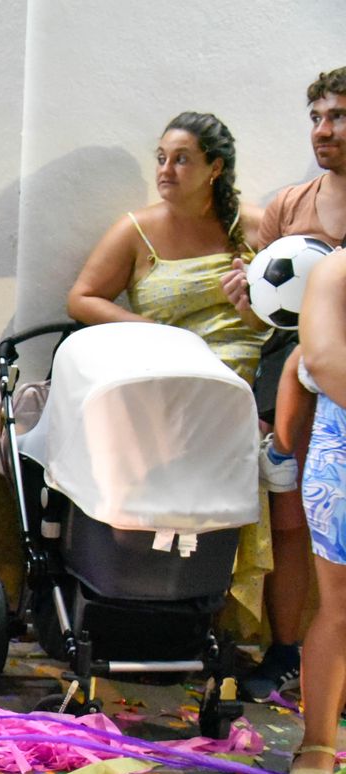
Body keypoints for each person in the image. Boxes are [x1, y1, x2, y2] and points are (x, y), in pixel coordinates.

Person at [67, 111, 271, 632]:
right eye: (161, 158)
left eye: (182, 160)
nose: (167, 170)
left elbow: (283, 313)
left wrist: (251, 307)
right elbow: (82, 299)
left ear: (215, 169)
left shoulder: (252, 228)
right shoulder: (137, 229)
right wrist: (150, 330)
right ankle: (140, 591)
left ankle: (209, 607)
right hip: (166, 376)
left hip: (237, 382)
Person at [225, 67, 346, 701]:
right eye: (317, 118)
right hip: (288, 370)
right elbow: (261, 311)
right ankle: (287, 650)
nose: (324, 131)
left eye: (339, 117)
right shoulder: (290, 205)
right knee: (294, 517)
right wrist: (247, 295)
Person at [291, 247, 346, 774]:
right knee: (341, 609)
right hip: (344, 458)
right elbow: (323, 360)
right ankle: (318, 743)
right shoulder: (338, 269)